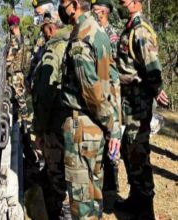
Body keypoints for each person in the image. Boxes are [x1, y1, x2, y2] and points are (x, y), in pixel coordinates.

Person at [58, 0, 121, 218]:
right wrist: (113, 124)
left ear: (74, 5)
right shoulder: (99, 32)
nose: (60, 7)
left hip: (82, 127)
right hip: (95, 128)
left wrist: (111, 124)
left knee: (82, 204)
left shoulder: (80, 38)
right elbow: (112, 82)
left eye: (63, 3)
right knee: (94, 197)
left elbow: (92, 92)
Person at [114, 0, 169, 219]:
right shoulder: (129, 27)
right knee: (130, 150)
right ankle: (135, 199)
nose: (122, 3)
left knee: (138, 151)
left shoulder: (140, 30)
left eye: (125, 1)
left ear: (136, 2)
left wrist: (156, 89)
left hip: (139, 103)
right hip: (129, 102)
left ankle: (146, 208)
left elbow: (151, 64)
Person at [31, 12, 70, 219]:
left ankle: (62, 213)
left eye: (44, 28)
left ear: (51, 28)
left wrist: (40, 129)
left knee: (57, 175)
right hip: (68, 122)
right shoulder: (73, 43)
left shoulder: (54, 51)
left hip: (54, 124)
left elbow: (45, 94)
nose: (43, 33)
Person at [91, 0, 121, 195]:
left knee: (113, 133)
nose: (93, 14)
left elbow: (115, 61)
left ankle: (112, 182)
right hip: (100, 88)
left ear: (104, 12)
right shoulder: (94, 32)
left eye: (96, 11)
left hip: (111, 88)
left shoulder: (110, 34)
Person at [6, 14, 31, 121]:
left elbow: (10, 58)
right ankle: (20, 125)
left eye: (11, 28)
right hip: (22, 73)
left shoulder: (14, 40)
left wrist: (4, 69)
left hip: (15, 74)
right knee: (19, 99)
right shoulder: (24, 38)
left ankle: (24, 127)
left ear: (12, 27)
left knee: (19, 100)